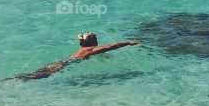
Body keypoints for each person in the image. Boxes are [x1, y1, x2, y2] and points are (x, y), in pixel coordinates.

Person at [9, 33, 141, 81]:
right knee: (35, 77)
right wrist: (129, 43)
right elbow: (111, 46)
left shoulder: (84, 48)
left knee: (34, 74)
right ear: (94, 42)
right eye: (96, 37)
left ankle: (11, 79)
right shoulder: (92, 49)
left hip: (60, 62)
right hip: (63, 65)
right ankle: (11, 80)